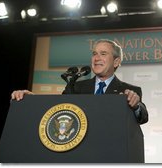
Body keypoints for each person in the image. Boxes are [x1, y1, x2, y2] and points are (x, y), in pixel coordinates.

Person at [11, 39, 148, 124]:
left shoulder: (130, 91)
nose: (96, 58)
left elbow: (143, 118)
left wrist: (136, 106)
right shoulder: (76, 87)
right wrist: (30, 100)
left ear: (116, 61)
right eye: (94, 54)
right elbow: (56, 110)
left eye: (103, 54)